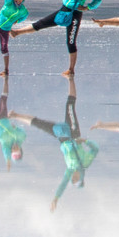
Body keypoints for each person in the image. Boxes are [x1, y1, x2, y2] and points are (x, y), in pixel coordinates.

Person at [9, 76, 98, 210]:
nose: (73, 177)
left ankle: (15, 115)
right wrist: (85, 141)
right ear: (81, 177)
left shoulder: (69, 170)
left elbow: (62, 184)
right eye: (76, 179)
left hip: (62, 138)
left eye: (73, 180)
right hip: (73, 133)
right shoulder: (85, 163)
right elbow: (95, 149)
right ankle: (71, 78)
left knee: (38, 124)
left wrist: (56, 199)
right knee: (70, 106)